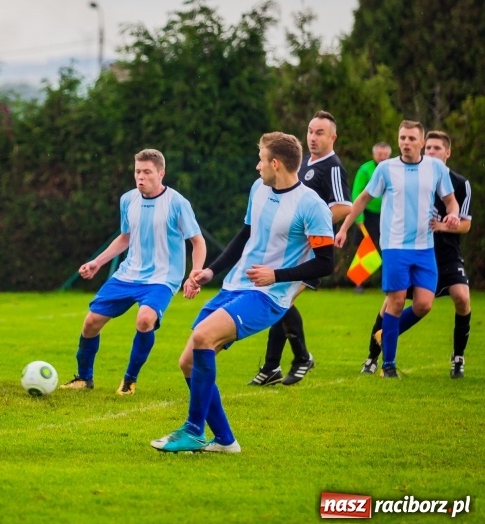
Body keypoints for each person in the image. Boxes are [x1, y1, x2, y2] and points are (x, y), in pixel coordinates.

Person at [151, 132, 334, 453]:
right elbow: (245, 236)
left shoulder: (311, 205)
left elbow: (326, 263)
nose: (256, 166)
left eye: (261, 160)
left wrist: (276, 275)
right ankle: (225, 441)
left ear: (275, 164)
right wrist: (209, 271)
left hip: (268, 297)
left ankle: (194, 430)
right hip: (234, 285)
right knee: (188, 363)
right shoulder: (259, 189)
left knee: (203, 337)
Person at [59, 148, 206, 395]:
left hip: (162, 277)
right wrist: (98, 262)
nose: (141, 177)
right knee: (91, 323)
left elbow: (198, 241)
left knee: (145, 319)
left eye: (147, 172)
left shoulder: (177, 203)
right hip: (128, 274)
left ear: (161, 173)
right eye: (137, 171)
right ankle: (84, 378)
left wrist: (195, 273)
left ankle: (129, 380)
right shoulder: (128, 199)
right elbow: (125, 237)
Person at [335, 121, 460, 378]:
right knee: (396, 301)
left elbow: (450, 201)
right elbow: (363, 199)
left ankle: (384, 335)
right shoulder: (386, 169)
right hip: (394, 246)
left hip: (425, 247)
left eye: (411, 138)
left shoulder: (436, 168)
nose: (405, 142)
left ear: (421, 142)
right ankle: (388, 366)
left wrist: (454, 215)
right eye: (402, 137)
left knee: (425, 304)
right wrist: (345, 227)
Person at [249, 110, 351, 387]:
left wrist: (309, 226)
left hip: (311, 253)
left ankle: (298, 359)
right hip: (291, 251)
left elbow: (343, 206)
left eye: (320, 132)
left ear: (333, 137)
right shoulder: (304, 163)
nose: (313, 137)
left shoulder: (332, 167)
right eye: (310, 131)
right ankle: (274, 366)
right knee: (279, 300)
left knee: (281, 301)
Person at [350, 142, 392, 292]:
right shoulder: (365, 170)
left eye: (385, 154)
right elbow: (357, 194)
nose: (382, 157)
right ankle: (358, 283)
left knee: (388, 247)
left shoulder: (393, 169)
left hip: (387, 214)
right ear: (374, 154)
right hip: (367, 214)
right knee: (364, 248)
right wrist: (359, 218)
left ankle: (388, 281)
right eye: (379, 154)